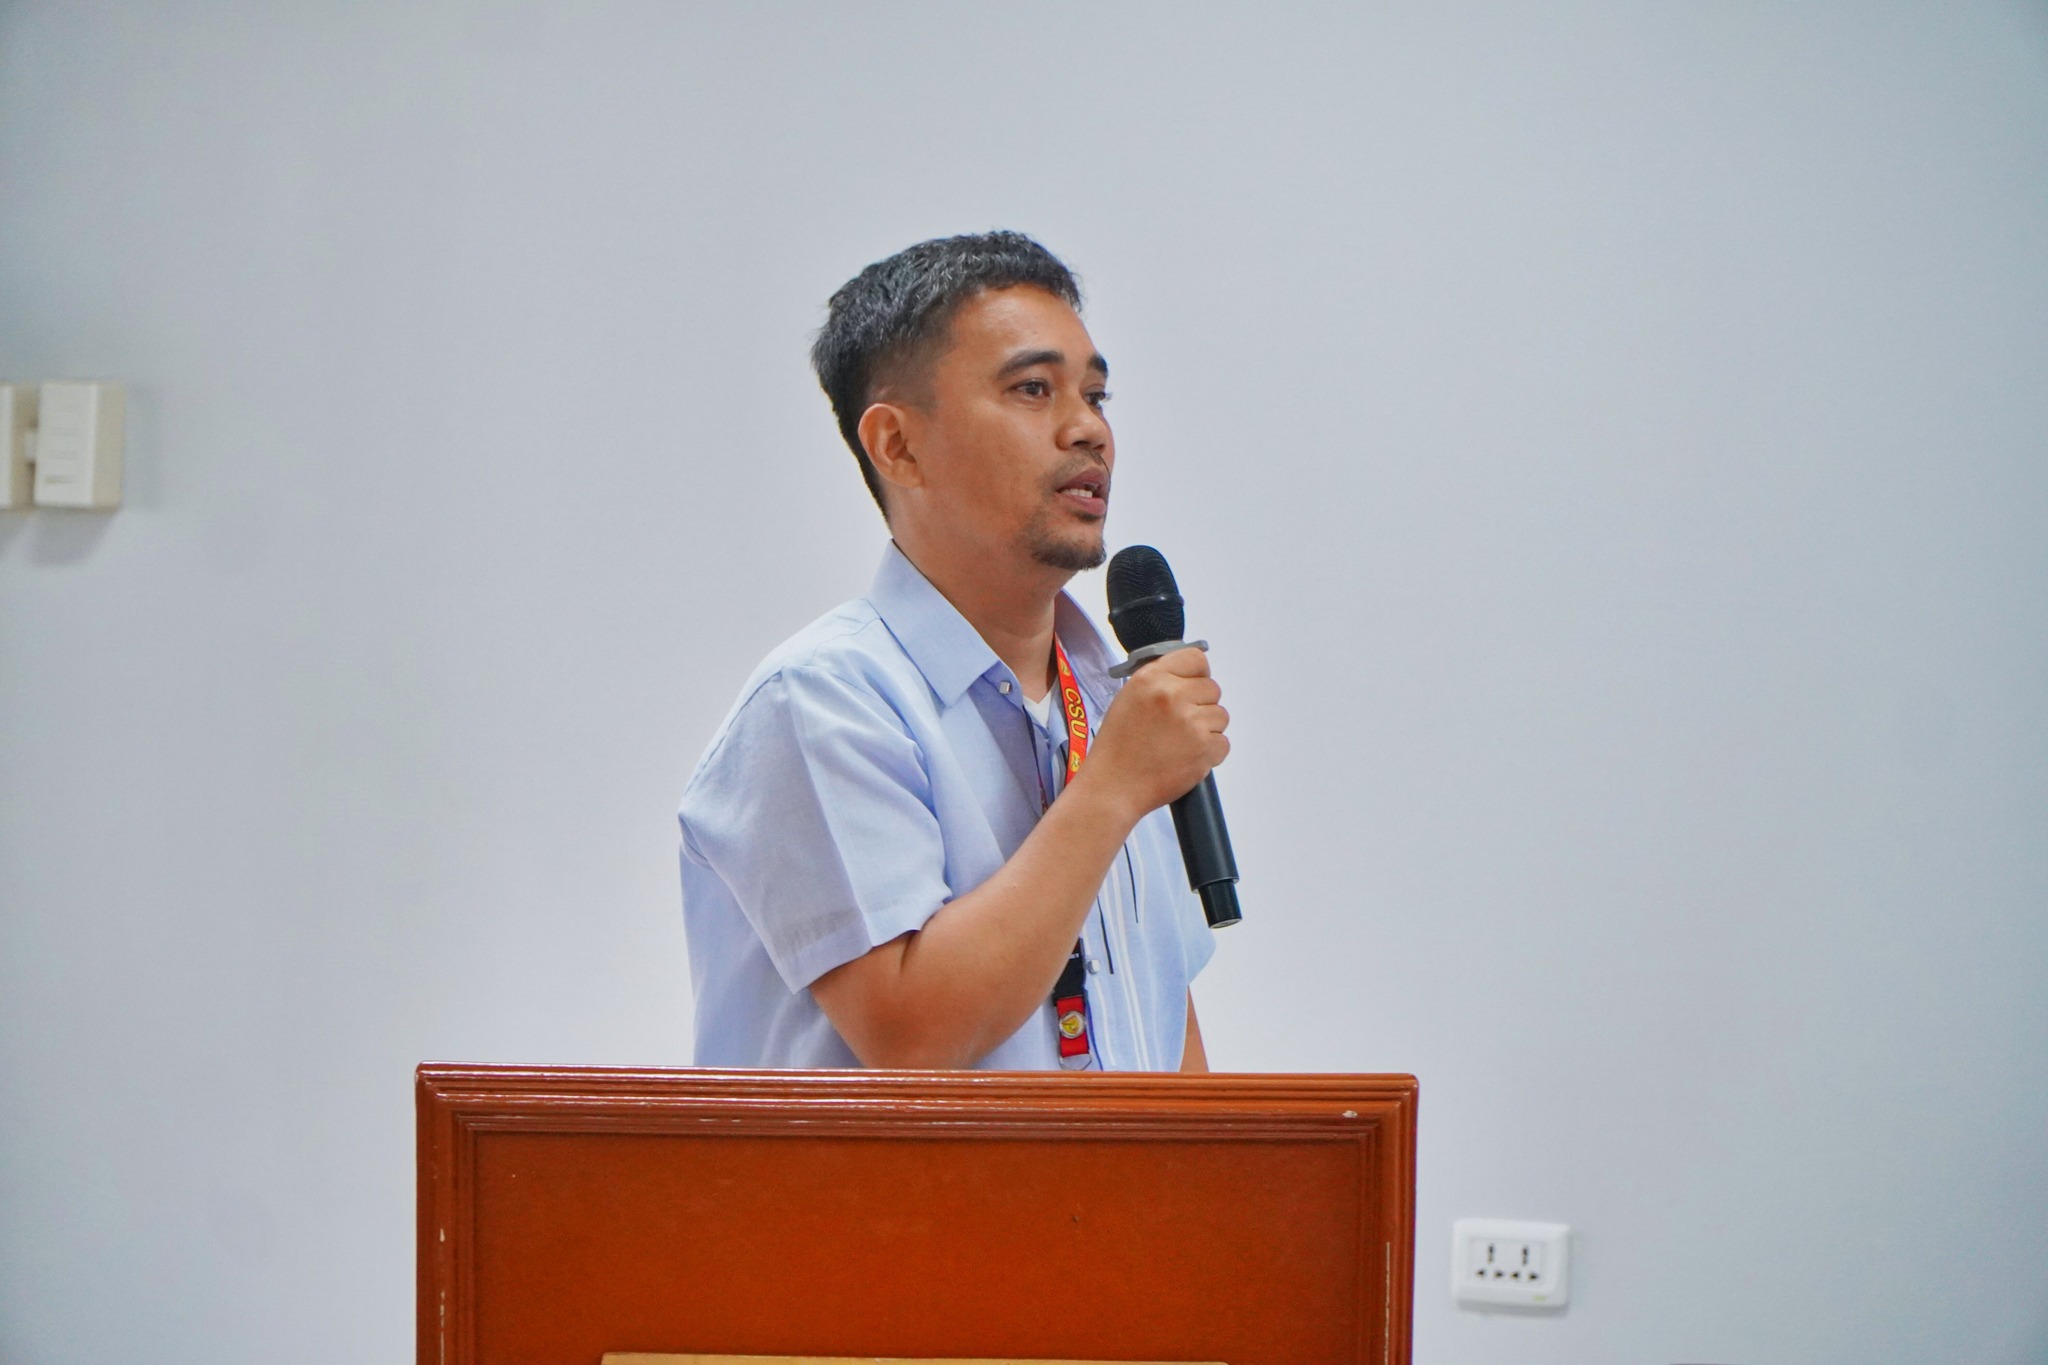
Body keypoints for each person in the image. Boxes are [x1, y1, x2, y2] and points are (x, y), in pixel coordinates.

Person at [678, 231, 1230, 1071]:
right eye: (1034, 389)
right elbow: (913, 1036)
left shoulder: (1112, 703)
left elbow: (1161, 1027)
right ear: (898, 445)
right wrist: (1114, 787)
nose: (1088, 428)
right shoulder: (822, 699)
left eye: (1096, 394)